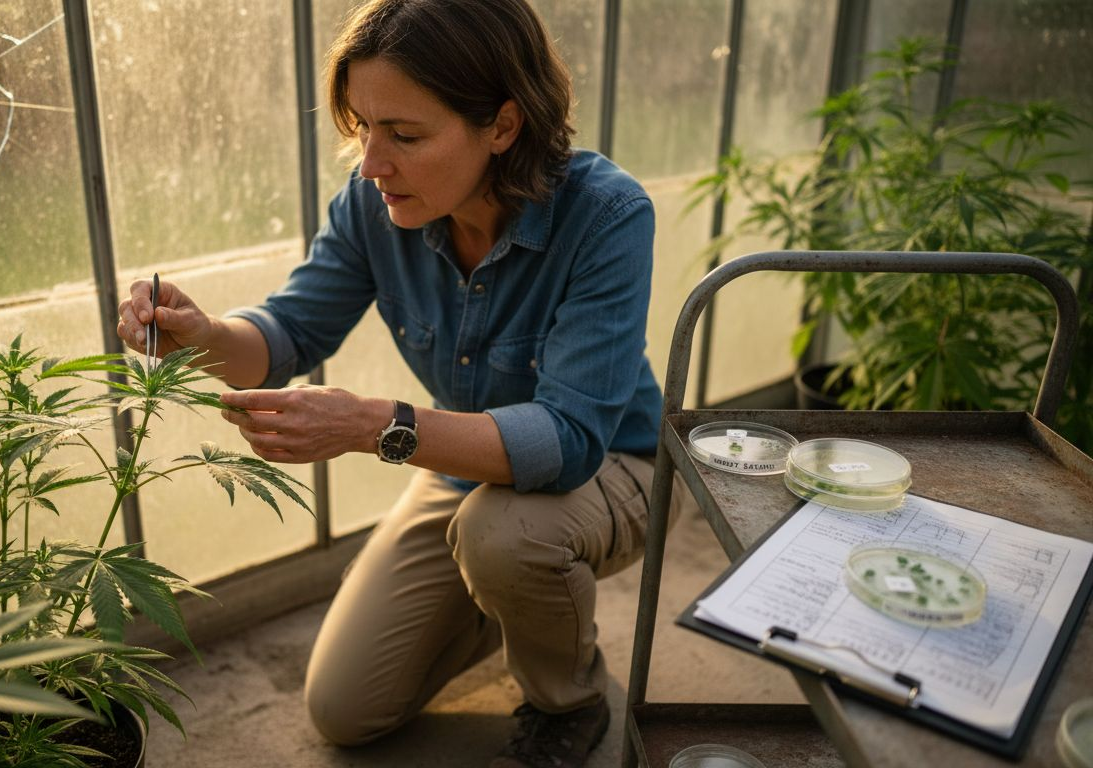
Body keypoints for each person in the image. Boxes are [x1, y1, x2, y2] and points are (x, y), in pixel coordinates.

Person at [116, 1, 688, 765]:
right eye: (362, 129)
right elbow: (290, 332)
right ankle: (508, 597)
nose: (372, 164)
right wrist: (206, 336)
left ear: (504, 126)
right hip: (466, 466)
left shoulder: (606, 215)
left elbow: (570, 440)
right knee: (345, 710)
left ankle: (568, 698)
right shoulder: (372, 205)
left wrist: (367, 426)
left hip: (619, 466)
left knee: (506, 535)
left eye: (405, 136)